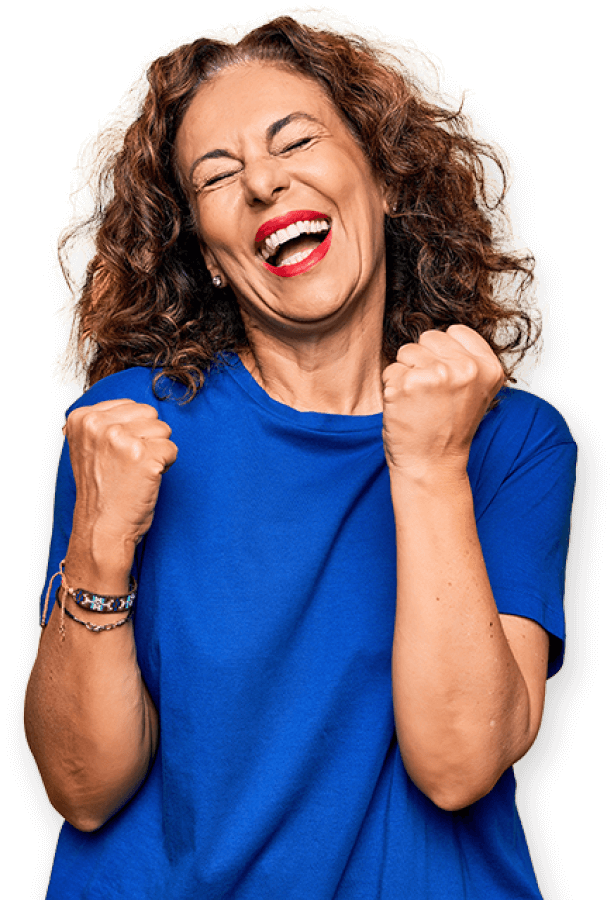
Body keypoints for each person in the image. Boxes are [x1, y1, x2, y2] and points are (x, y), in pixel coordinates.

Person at [24, 14, 577, 899]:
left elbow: (459, 763)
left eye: (297, 141)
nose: (265, 183)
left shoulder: (512, 441)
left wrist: (432, 467)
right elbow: (84, 792)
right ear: (206, 253)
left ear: (386, 179)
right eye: (218, 175)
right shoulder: (123, 428)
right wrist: (98, 544)